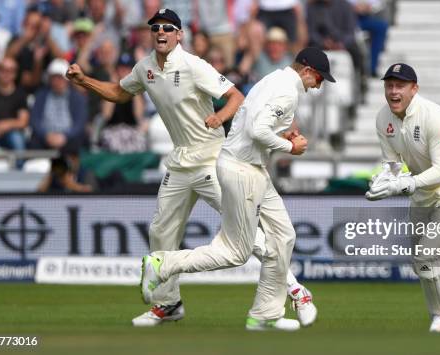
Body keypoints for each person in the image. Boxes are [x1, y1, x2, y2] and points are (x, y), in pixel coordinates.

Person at [66, 8, 317, 328]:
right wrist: (83, 79)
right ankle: (168, 305)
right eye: (156, 27)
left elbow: (235, 96)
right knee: (161, 232)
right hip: (180, 161)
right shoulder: (144, 68)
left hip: (212, 158)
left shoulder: (194, 65)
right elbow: (118, 92)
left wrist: (219, 117)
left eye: (168, 28)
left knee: (246, 236)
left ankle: (296, 290)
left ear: (179, 34)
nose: (161, 32)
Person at [140, 47, 335, 331]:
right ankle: (162, 264)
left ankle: (265, 314)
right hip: (242, 170)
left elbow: (256, 126)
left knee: (283, 235)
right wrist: (290, 146)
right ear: (307, 71)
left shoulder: (274, 79)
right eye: (318, 79)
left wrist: (281, 135)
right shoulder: (287, 91)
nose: (317, 86)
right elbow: (257, 130)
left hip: (251, 167)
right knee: (234, 252)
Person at [365, 63, 440, 332]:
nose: (393, 91)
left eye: (400, 86)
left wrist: (403, 185)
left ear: (414, 89)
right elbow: (391, 163)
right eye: (389, 85)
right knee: (421, 259)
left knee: (427, 254)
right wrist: (382, 180)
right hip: (422, 191)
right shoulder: (383, 119)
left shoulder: (435, 117)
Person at [29, 58, 89, 153]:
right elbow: (34, 120)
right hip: (45, 137)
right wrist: (46, 135)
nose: (57, 81)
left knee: (81, 140)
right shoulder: (41, 95)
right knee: (33, 142)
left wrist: (65, 136)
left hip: (69, 137)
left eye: (60, 77)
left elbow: (80, 123)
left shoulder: (77, 97)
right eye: (54, 77)